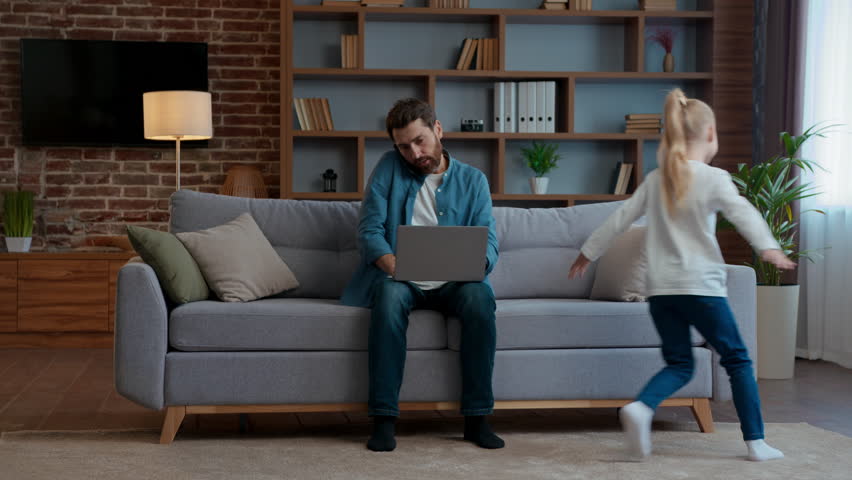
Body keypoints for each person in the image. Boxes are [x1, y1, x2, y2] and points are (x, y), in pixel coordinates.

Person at [568, 88, 793, 462]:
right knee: (737, 360)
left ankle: (642, 406)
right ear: (709, 135)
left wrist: (587, 253)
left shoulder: (657, 179)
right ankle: (756, 442)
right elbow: (744, 213)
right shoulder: (714, 178)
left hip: (660, 292)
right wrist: (767, 246)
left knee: (679, 363)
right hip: (702, 289)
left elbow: (619, 219)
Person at [341, 98, 503, 452]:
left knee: (480, 299)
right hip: (402, 278)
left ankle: (477, 419)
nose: (414, 152)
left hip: (457, 281)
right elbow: (369, 232)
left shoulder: (474, 180)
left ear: (438, 130)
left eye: (420, 140)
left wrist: (476, 265)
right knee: (387, 297)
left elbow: (489, 240)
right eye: (404, 146)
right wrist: (396, 267)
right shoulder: (388, 168)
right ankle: (384, 419)